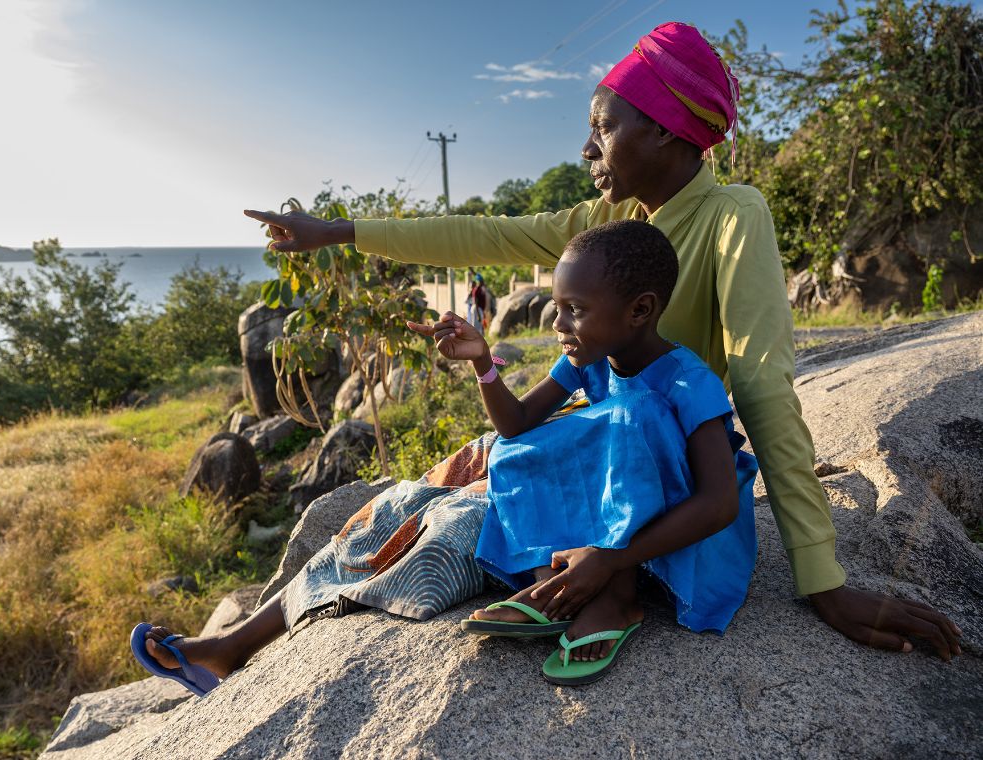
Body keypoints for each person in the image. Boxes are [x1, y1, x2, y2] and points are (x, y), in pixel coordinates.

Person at [242, 22, 962, 659]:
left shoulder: (731, 216)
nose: (587, 145)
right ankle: (248, 640)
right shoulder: (608, 223)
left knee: (444, 523)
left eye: (604, 126)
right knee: (406, 498)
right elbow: (484, 233)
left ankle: (599, 589)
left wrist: (822, 578)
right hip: (593, 448)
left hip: (647, 476)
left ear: (667, 133)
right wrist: (337, 232)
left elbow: (760, 380)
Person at [410, 221, 758, 685]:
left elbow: (719, 504)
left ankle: (616, 597)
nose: (558, 325)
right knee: (511, 452)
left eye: (574, 309)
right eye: (557, 307)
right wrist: (481, 362)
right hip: (623, 514)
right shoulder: (588, 356)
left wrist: (610, 560)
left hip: (686, 535)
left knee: (631, 415)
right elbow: (515, 423)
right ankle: (553, 582)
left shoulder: (687, 382)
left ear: (640, 310)